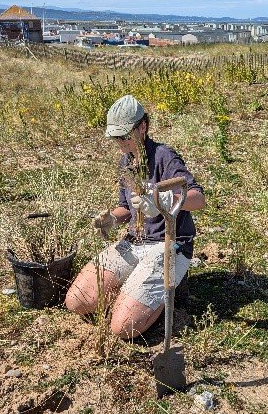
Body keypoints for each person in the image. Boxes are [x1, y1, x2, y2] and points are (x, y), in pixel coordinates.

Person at [65, 94, 205, 339]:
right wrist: (110, 218)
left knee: (123, 328)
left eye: (124, 136)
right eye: (115, 137)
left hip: (170, 244)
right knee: (76, 302)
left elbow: (197, 198)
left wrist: (162, 201)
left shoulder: (164, 156)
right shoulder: (126, 161)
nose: (120, 142)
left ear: (143, 127)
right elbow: (127, 207)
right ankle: (137, 287)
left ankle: (160, 293)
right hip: (134, 242)